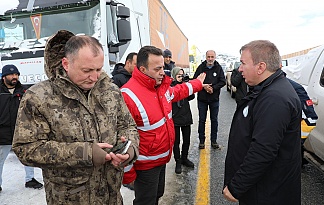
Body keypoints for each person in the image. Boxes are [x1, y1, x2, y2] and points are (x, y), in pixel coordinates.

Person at [12, 30, 139, 205]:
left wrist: (129, 150)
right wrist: (85, 153)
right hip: (70, 198)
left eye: (98, 69)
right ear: (66, 63)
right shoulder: (39, 97)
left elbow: (128, 126)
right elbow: (26, 149)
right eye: (87, 70)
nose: (94, 77)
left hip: (111, 196)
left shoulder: (110, 90)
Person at [121, 45, 206, 205]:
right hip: (146, 165)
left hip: (161, 159)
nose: (163, 72)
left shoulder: (159, 88)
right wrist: (128, 173)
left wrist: (197, 84)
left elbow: (178, 91)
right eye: (158, 68)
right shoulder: (128, 96)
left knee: (157, 195)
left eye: (163, 67)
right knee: (145, 201)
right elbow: (122, 141)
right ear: (143, 69)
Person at [223, 40, 302, 205]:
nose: (239, 68)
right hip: (263, 188)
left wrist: (236, 186)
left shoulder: (275, 99)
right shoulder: (267, 90)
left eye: (243, 63)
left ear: (260, 67)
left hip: (268, 193)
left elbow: (263, 150)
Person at [0, 65, 44, 192]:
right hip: (3, 131)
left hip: (22, 131)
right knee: (0, 159)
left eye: (16, 75)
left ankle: (30, 179)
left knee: (27, 155)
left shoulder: (25, 91)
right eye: (11, 75)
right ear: (4, 77)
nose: (15, 77)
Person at [193, 50, 226, 149]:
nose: (210, 59)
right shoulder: (201, 67)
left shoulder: (218, 68)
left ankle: (214, 141)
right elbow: (195, 80)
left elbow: (223, 81)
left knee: (214, 120)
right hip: (202, 99)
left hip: (214, 99)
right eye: (208, 57)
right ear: (206, 57)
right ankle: (201, 141)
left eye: (212, 57)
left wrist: (213, 88)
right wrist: (204, 87)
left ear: (215, 57)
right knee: (202, 120)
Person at [171, 67, 195, 174]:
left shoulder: (185, 85)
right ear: (174, 76)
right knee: (176, 142)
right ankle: (178, 161)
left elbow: (191, 96)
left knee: (186, 140)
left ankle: (184, 158)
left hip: (185, 116)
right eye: (179, 75)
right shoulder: (171, 87)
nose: (181, 77)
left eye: (182, 75)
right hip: (175, 117)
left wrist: (187, 85)